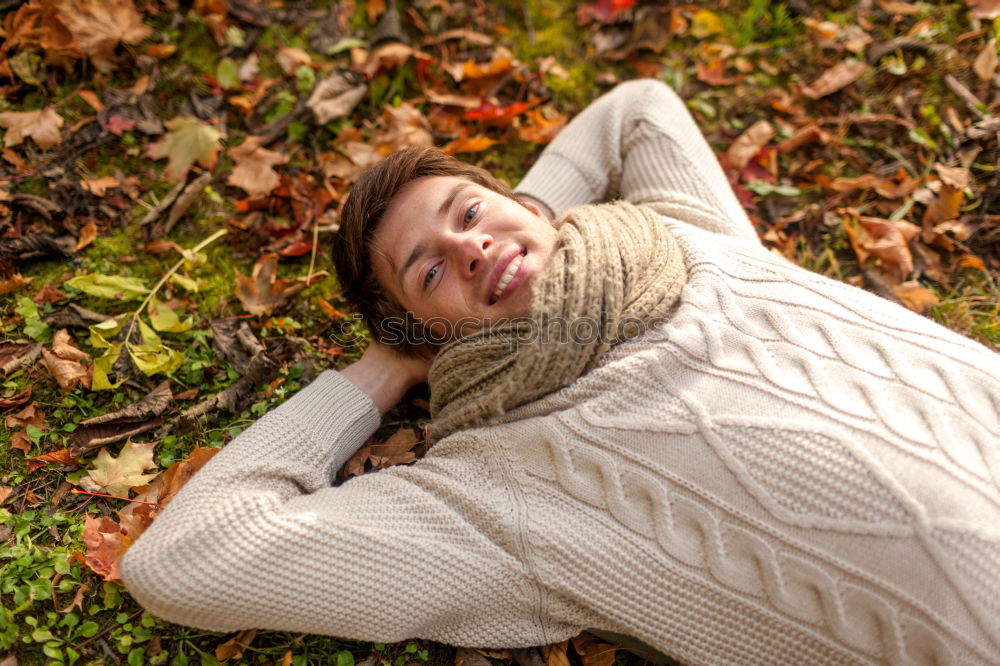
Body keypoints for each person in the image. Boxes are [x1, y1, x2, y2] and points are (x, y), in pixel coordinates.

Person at [121, 80, 1000, 665]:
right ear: (428, 336)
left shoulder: (681, 237)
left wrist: (528, 220)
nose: (471, 247)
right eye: (429, 271)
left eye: (470, 211)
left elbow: (636, 109)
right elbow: (185, 562)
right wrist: (376, 375)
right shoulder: (491, 491)